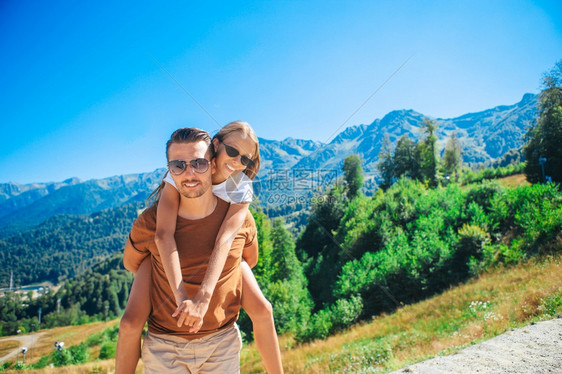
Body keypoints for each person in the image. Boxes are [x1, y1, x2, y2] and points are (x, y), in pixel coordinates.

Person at [116, 124, 283, 373]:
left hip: (220, 333)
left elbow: (231, 241)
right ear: (216, 146)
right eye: (232, 151)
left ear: (210, 162)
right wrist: (179, 293)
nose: (237, 161)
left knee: (263, 309)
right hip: (167, 340)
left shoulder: (240, 187)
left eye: (245, 159)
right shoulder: (175, 180)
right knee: (129, 322)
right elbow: (162, 235)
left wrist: (205, 298)